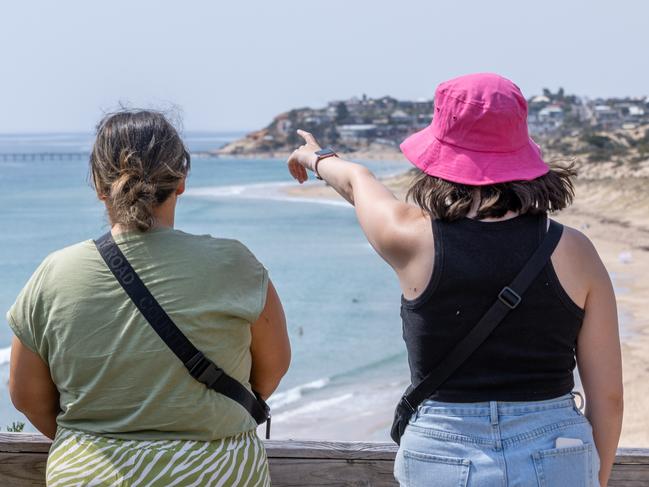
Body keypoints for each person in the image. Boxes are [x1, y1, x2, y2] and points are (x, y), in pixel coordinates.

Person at [287, 73, 623, 486]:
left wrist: (315, 158)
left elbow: (359, 182)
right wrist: (595, 479)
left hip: (442, 448)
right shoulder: (574, 250)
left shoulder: (409, 237)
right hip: (554, 448)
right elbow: (608, 400)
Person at [8, 110, 290, 486]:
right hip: (217, 472)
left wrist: (93, 439)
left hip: (92, 474)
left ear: (98, 184)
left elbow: (25, 394)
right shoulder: (235, 264)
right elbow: (273, 368)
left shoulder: (55, 272)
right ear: (182, 181)